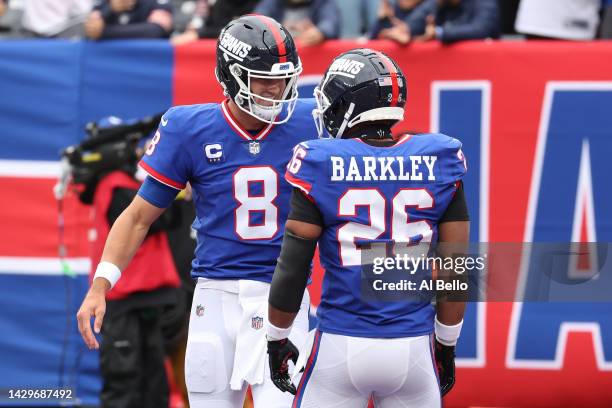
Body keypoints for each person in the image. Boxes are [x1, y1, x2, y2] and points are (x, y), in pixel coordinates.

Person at [76, 14, 317, 408]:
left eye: (283, 77)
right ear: (230, 75)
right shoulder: (189, 128)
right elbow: (138, 216)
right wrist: (101, 284)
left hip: (283, 297)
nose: (277, 89)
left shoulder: (312, 120)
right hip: (214, 296)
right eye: (263, 78)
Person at [265, 48, 470, 406]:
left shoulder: (321, 162)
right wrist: (447, 343)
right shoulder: (440, 158)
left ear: (346, 104)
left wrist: (276, 337)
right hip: (413, 349)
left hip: (341, 345)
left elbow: (292, 267)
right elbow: (455, 271)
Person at [81, 130, 183, 408]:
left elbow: (169, 219)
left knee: (155, 381)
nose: (139, 152)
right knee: (123, 378)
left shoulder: (127, 185)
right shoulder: (115, 185)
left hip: (150, 294)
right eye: (133, 148)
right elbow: (160, 221)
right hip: (123, 296)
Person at [408, 0, 500, 43]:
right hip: (447, 66)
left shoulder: (483, 2)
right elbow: (411, 25)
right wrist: (405, 31)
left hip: (482, 63)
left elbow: (481, 29)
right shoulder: (438, 3)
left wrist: (439, 33)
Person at [254, 0, 340, 46]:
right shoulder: (272, 2)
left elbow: (331, 22)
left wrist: (320, 32)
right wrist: (277, 30)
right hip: (279, 54)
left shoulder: (323, 2)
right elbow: (257, 20)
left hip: (310, 52)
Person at [85, 0, 173, 40]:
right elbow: (90, 31)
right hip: (109, 64)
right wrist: (110, 10)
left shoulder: (156, 2)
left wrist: (104, 32)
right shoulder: (102, 4)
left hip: (146, 63)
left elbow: (155, 31)